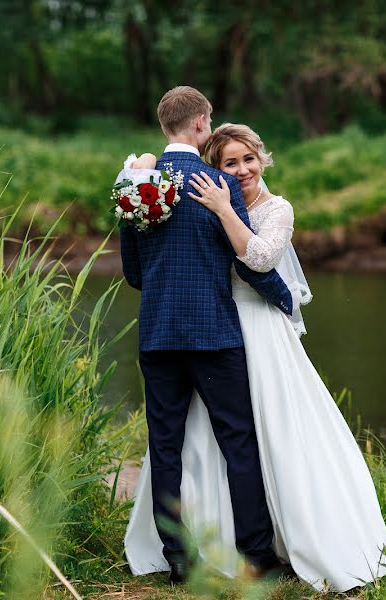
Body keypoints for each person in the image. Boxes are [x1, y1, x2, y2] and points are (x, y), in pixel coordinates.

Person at [124, 123, 386, 592]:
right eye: (231, 162)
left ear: (262, 160)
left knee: (272, 433)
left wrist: (283, 297)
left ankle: (281, 539)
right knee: (205, 442)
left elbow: (262, 261)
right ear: (216, 165)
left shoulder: (269, 206)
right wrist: (141, 171)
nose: (242, 169)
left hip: (255, 331)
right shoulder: (205, 195)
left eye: (249, 159)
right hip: (219, 332)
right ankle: (219, 545)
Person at [118, 86, 294, 586]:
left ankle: (178, 559)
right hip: (214, 333)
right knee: (238, 442)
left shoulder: (135, 187)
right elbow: (245, 257)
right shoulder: (218, 184)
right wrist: (283, 297)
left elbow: (133, 272)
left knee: (166, 446)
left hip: (157, 334)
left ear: (164, 126)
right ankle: (256, 557)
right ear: (200, 123)